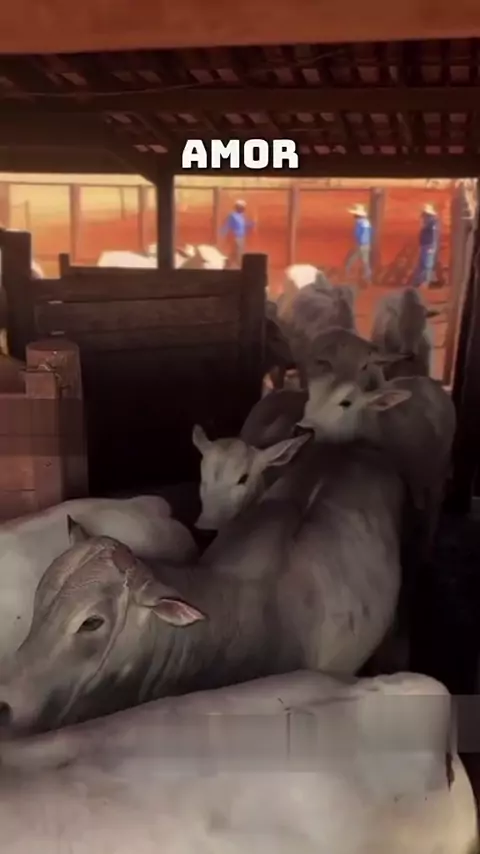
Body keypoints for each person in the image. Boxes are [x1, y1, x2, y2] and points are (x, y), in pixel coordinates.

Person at [410, 203, 439, 289]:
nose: (423, 217)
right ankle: (419, 281)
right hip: (425, 245)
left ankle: (425, 282)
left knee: (427, 264)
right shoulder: (428, 223)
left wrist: (432, 247)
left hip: (429, 245)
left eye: (425, 215)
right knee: (422, 264)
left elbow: (434, 235)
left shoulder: (432, 223)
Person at [220, 199, 254, 268]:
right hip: (235, 237)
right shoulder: (232, 215)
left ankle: (227, 266)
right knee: (238, 253)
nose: (243, 209)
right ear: (238, 207)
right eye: (242, 207)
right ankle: (239, 267)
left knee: (235, 253)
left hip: (241, 237)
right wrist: (223, 234)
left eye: (243, 207)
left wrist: (252, 223)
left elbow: (245, 224)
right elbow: (227, 225)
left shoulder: (242, 216)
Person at [344, 203, 372, 283]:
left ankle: (346, 276)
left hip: (361, 245)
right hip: (364, 245)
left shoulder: (364, 223)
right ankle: (367, 277)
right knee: (365, 262)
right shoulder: (363, 222)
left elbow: (365, 235)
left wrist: (360, 244)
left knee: (350, 260)